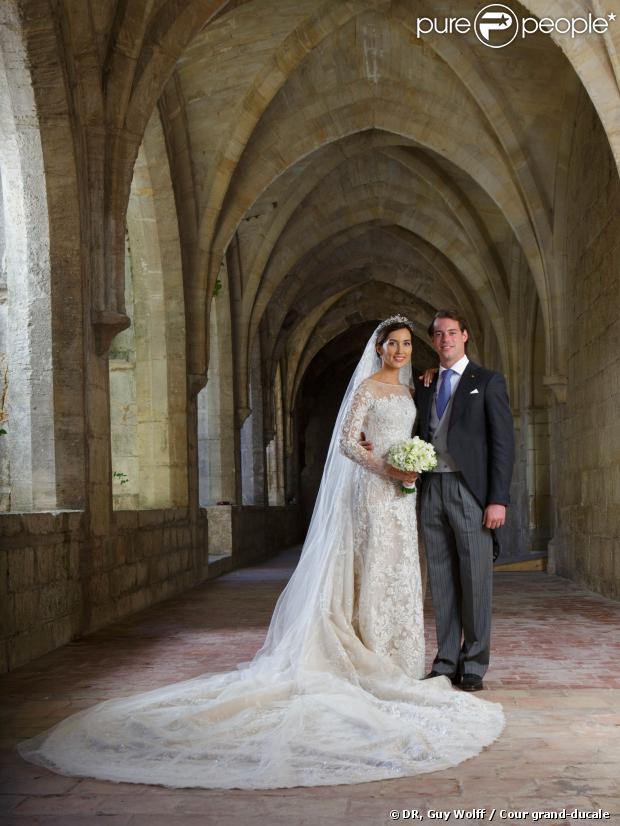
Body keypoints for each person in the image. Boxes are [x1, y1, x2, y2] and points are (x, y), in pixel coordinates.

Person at [18, 316, 504, 791]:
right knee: (384, 571)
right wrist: (388, 467)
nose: (401, 350)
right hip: (381, 492)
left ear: (452, 341)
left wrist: (427, 474)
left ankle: (434, 660)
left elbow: (467, 433)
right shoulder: (374, 388)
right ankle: (399, 658)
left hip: (414, 498)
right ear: (378, 349)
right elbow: (347, 441)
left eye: (408, 343)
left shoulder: (421, 385)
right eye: (393, 343)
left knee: (408, 574)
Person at [414, 310, 515, 692]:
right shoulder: (426, 383)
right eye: (438, 335)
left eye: (452, 333)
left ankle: (473, 663)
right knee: (440, 579)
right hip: (432, 489)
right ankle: (445, 661)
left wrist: (497, 500)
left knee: (475, 578)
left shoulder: (487, 381)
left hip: (470, 491)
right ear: (433, 340)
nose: (445, 340)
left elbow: (503, 445)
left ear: (465, 336)